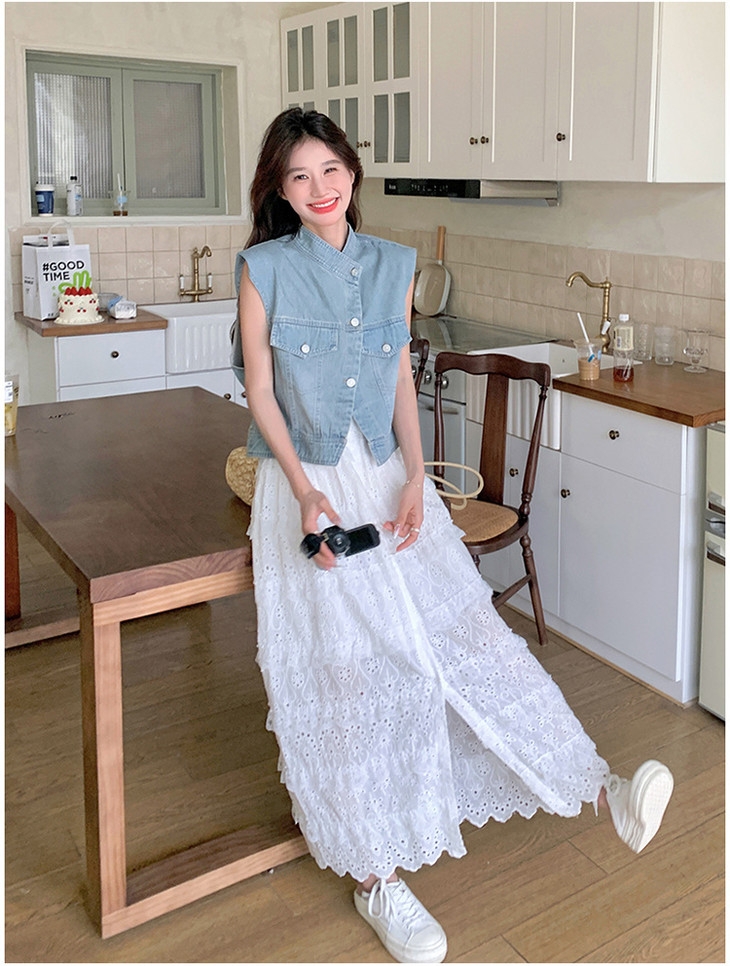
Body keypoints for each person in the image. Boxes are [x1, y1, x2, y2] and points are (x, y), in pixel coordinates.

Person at [235, 108, 674, 965]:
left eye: (331, 171)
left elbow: (402, 377)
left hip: (390, 479)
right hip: (309, 487)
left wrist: (415, 477)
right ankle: (376, 876)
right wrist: (306, 493)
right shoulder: (265, 270)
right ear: (280, 192)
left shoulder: (392, 265)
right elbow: (260, 392)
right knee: (347, 675)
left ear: (353, 174)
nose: (320, 189)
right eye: (300, 177)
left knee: (470, 636)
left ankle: (598, 788)